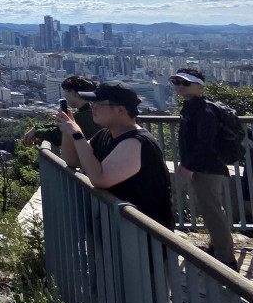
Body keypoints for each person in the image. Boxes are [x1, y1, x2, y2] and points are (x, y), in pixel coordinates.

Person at [56, 81, 173, 228]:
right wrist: (67, 130)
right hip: (118, 227)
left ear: (120, 110)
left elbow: (100, 178)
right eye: (92, 103)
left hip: (144, 235)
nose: (93, 107)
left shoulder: (136, 141)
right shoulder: (106, 134)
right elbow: (74, 160)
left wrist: (77, 134)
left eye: (99, 103)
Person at [171, 68, 236, 268]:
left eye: (185, 83)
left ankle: (226, 258)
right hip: (204, 166)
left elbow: (205, 142)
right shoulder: (192, 107)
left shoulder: (205, 110)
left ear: (200, 86)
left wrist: (189, 165)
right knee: (210, 209)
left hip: (207, 167)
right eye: (177, 82)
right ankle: (217, 247)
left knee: (213, 211)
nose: (180, 86)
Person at [24, 75, 100, 149]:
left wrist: (37, 132)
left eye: (66, 92)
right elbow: (59, 127)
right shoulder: (91, 112)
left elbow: (57, 135)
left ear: (73, 93)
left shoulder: (85, 116)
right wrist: (36, 128)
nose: (65, 96)